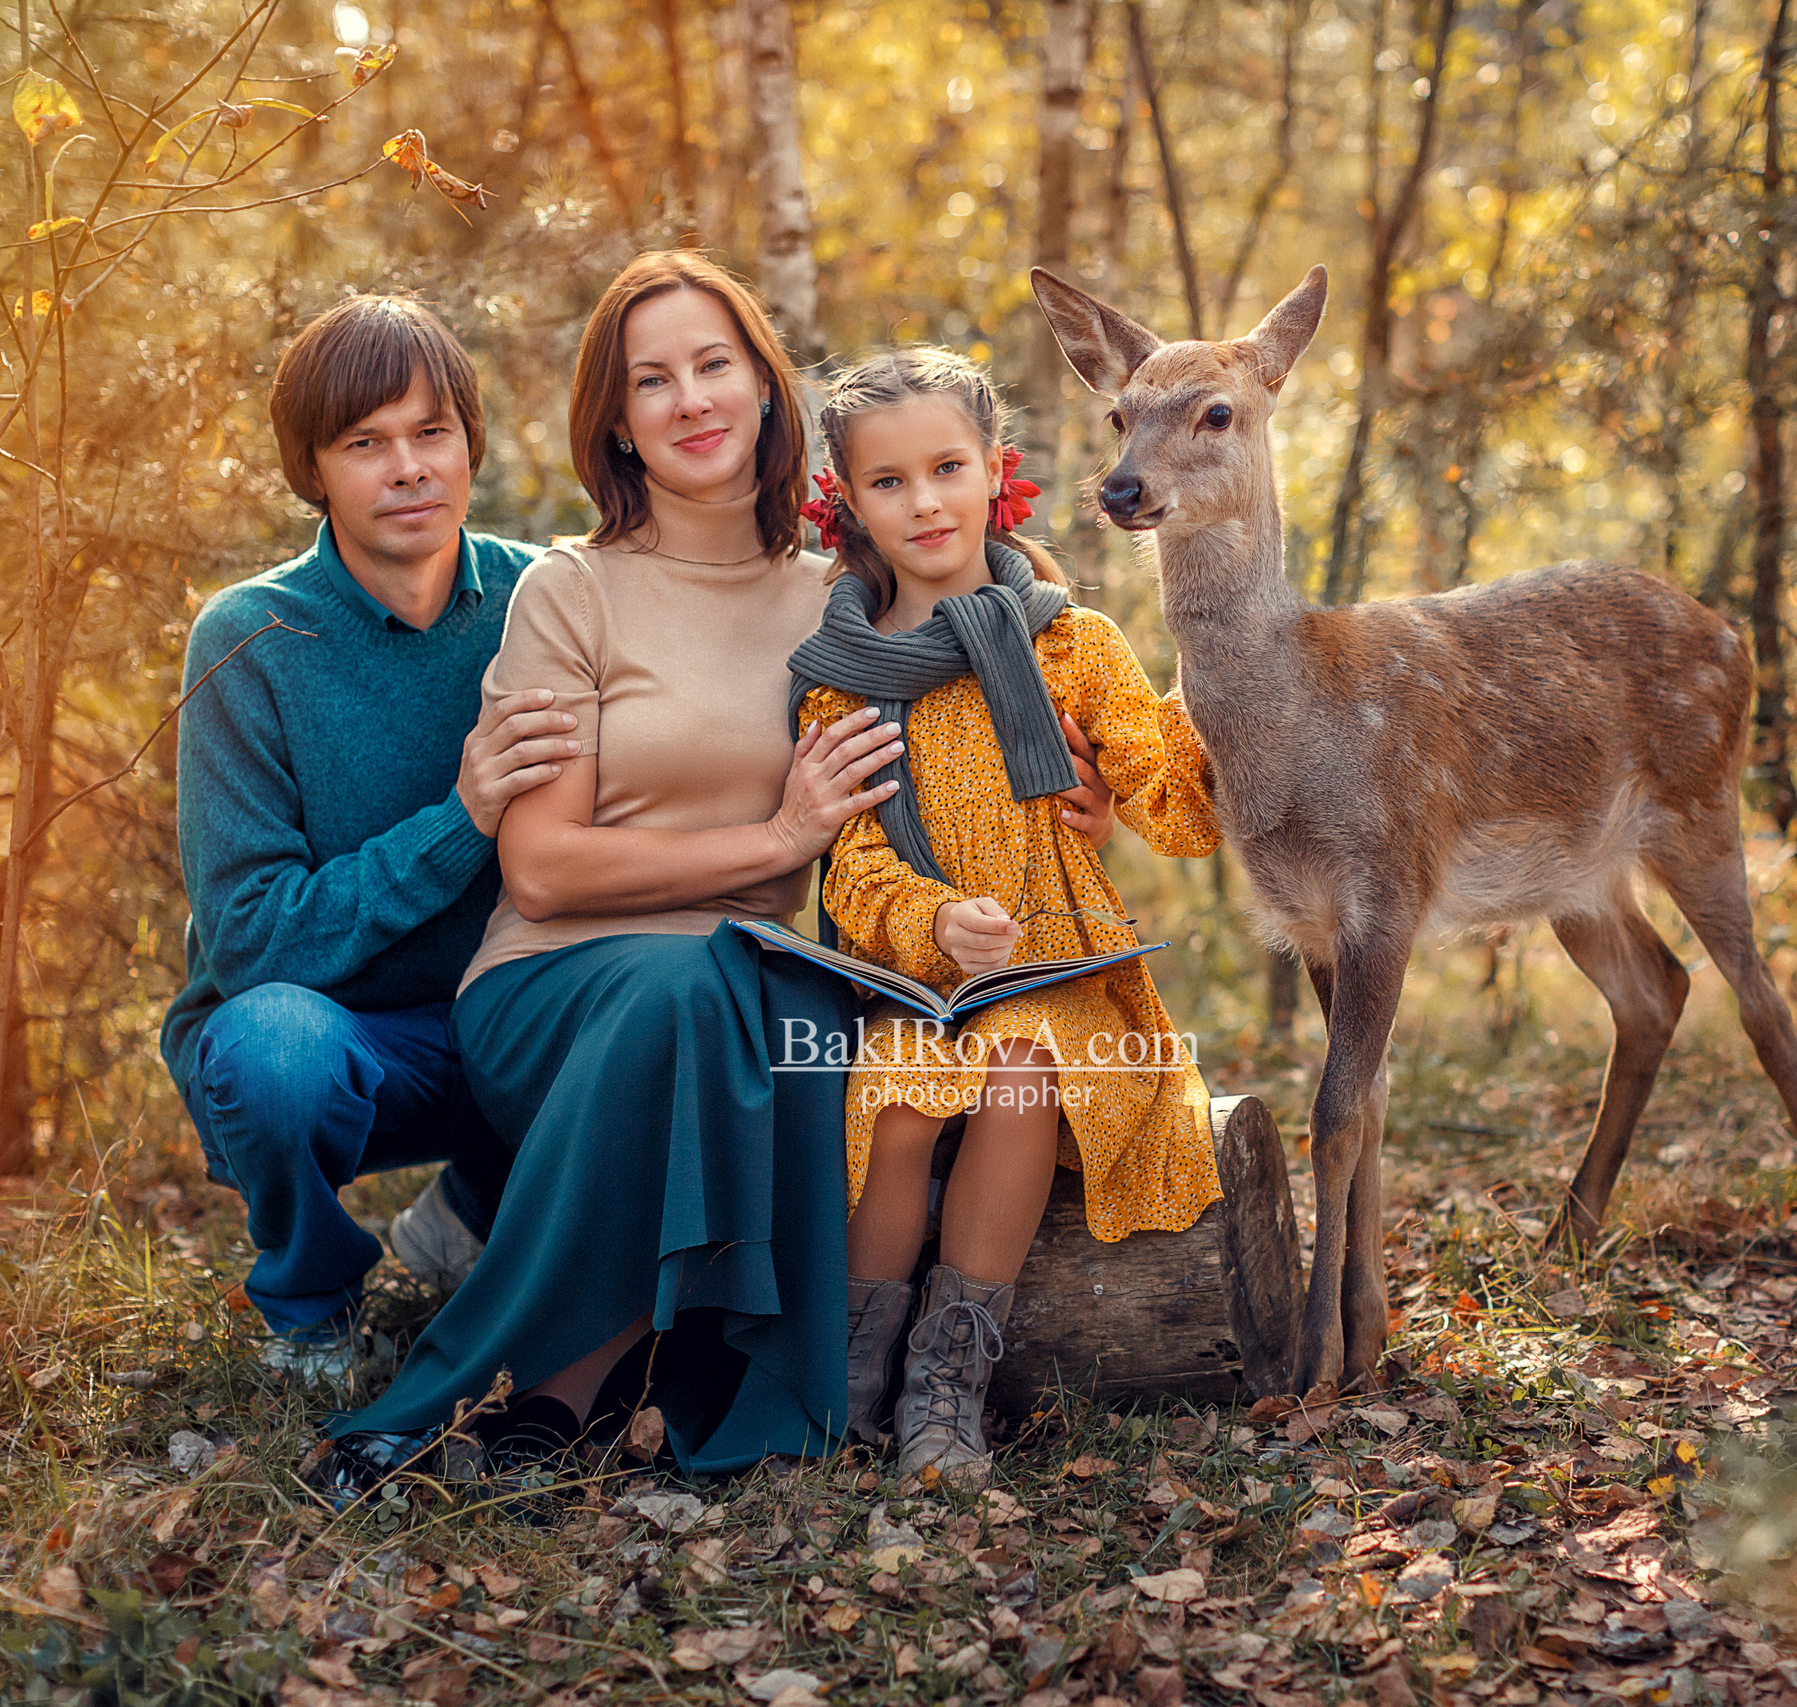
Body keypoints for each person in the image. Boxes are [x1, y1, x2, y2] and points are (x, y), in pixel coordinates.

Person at [322, 254, 1121, 1485]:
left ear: (762, 390)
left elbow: (988, 757)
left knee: (792, 1005)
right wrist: (777, 842)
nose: (689, 398)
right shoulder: (571, 592)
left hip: (754, 991)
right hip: (560, 990)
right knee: (699, 983)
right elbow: (540, 870)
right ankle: (522, 1397)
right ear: (618, 424)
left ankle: (707, 1379)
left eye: (713, 365)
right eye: (652, 380)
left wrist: (1076, 798)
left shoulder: (847, 604)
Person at [788, 348, 1224, 1484]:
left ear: (995, 471)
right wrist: (934, 923)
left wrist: (1172, 737)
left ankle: (947, 1377)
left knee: (1023, 1062)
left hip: (1064, 969)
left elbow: (1180, 816)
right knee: (896, 1097)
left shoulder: (1071, 644)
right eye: (889, 482)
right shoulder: (845, 676)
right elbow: (851, 872)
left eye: (946, 468)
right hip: (925, 981)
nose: (924, 502)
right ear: (849, 502)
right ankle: (850, 1365)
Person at [165, 296, 590, 1381]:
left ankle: (477, 1212)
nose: (408, 469)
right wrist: (461, 819)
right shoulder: (249, 640)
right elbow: (251, 942)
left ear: (469, 443)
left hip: (507, 1021)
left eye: (430, 432)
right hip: (335, 1039)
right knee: (273, 1053)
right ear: (311, 469)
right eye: (365, 443)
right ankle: (312, 1301)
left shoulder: (548, 598)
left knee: (651, 998)